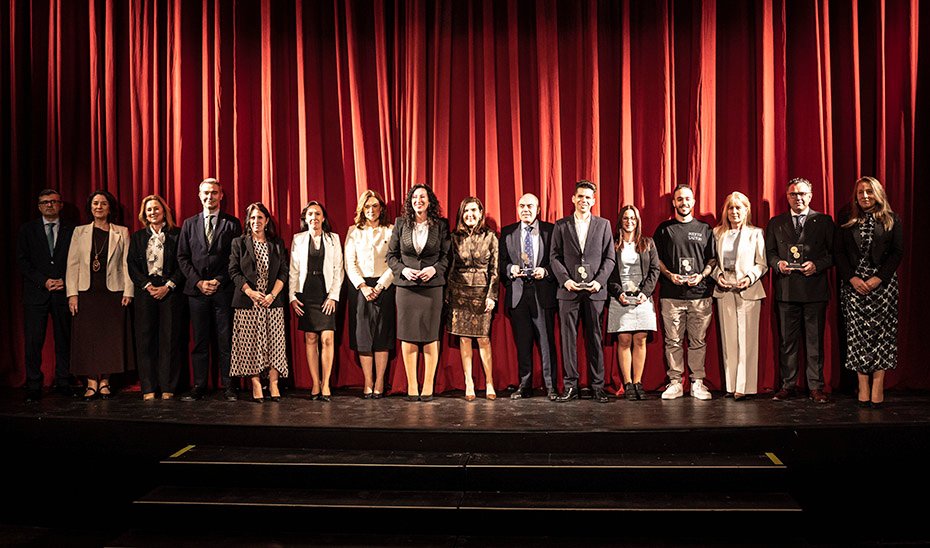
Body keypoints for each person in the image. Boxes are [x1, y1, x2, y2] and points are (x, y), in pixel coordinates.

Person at [766, 177, 835, 403]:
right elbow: (769, 253)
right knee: (787, 342)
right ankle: (788, 385)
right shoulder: (776, 223)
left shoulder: (824, 221)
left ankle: (815, 387)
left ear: (811, 196)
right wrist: (778, 264)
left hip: (814, 290)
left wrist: (817, 265)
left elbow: (834, 254)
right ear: (787, 197)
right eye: (794, 194)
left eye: (803, 194)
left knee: (814, 341)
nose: (798, 198)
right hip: (786, 291)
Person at [836, 177, 903, 408]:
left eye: (869, 192)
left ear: (878, 194)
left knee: (882, 336)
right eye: (860, 192)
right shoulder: (847, 220)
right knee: (857, 337)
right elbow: (839, 253)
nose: (864, 196)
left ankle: (878, 385)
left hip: (882, 287)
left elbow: (897, 253)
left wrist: (878, 279)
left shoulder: (891, 220)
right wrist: (852, 279)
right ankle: (862, 385)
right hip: (854, 287)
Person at [550, 180, 617, 403]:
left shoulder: (604, 225)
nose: (584, 201)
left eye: (588, 197)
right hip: (568, 291)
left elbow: (609, 257)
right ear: (573, 198)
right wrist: (566, 281)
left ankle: (598, 386)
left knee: (595, 339)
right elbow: (554, 257)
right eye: (580, 196)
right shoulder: (561, 225)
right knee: (568, 339)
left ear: (593, 201)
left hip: (595, 291)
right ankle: (571, 386)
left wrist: (599, 282)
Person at [177, 178, 242, 401]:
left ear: (221, 195)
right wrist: (198, 282)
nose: (209, 197)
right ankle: (200, 385)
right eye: (206, 193)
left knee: (226, 341)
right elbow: (182, 257)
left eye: (214, 193)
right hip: (196, 293)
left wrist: (218, 280)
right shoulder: (188, 224)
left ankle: (229, 386)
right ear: (199, 195)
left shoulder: (232, 224)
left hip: (223, 291)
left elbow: (236, 259)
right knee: (200, 341)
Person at [66, 190, 134, 400]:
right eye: (95, 203)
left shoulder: (121, 231)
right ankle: (91, 382)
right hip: (86, 293)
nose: (99, 207)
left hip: (113, 293)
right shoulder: (80, 232)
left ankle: (105, 381)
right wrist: (72, 295)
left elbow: (127, 263)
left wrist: (128, 291)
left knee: (109, 339)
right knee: (87, 339)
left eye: (103, 203)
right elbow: (72, 264)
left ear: (110, 208)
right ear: (90, 207)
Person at [386, 184, 450, 402]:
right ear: (410, 201)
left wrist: (434, 269)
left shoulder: (441, 225)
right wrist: (403, 269)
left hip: (433, 288)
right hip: (406, 288)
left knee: (431, 334)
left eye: (422, 197)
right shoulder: (400, 223)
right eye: (415, 197)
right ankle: (412, 384)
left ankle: (429, 383)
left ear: (429, 201)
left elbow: (446, 257)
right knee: (408, 335)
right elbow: (391, 256)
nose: (418, 200)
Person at [653, 184, 717, 400]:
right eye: (679, 199)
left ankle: (697, 382)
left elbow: (712, 259)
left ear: (694, 201)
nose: (684, 203)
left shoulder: (705, 229)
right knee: (673, 342)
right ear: (674, 203)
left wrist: (702, 275)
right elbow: (656, 260)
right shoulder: (664, 229)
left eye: (687, 199)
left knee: (698, 342)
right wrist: (670, 275)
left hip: (700, 296)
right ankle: (675, 382)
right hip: (671, 295)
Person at [17, 189, 75, 403]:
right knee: (34, 340)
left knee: (64, 338)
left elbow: (78, 260)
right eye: (45, 202)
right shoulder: (27, 230)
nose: (50, 205)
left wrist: (65, 281)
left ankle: (64, 381)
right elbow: (23, 261)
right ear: (39, 206)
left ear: (60, 205)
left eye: (54, 202)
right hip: (36, 293)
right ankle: (34, 384)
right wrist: (44, 280)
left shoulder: (73, 229)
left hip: (63, 292)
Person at [499, 193, 559, 401]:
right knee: (523, 344)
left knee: (546, 343)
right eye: (522, 206)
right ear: (517, 208)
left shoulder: (551, 231)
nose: (525, 209)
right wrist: (510, 269)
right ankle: (524, 385)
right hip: (518, 295)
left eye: (530, 206)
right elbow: (501, 264)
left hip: (542, 292)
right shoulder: (507, 233)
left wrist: (547, 271)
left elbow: (559, 261)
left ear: (538, 209)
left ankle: (551, 386)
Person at [710, 192, 767, 400]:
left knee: (747, 339)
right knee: (729, 339)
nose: (734, 212)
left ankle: (745, 387)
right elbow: (713, 263)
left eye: (738, 208)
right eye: (730, 208)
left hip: (748, 290)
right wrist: (718, 277)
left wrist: (750, 278)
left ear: (746, 210)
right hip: (725, 289)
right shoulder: (717, 233)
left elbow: (762, 263)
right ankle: (731, 385)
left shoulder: (756, 233)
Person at [230, 203, 289, 403]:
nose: (256, 222)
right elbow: (234, 271)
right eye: (252, 218)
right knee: (250, 344)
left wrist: (272, 295)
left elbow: (283, 272)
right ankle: (255, 383)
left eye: (260, 218)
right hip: (248, 302)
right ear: (248, 221)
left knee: (275, 343)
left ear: (266, 221)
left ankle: (273, 383)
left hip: (272, 301)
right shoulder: (239, 243)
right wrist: (250, 292)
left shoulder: (277, 244)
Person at [127, 195, 184, 400]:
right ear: (144, 214)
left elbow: (182, 263)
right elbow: (132, 265)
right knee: (145, 339)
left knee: (169, 339)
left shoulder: (177, 235)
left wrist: (168, 286)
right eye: (149, 210)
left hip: (171, 291)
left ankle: (168, 386)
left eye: (156, 209)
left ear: (164, 211)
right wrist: (147, 286)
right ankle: (149, 387)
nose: (153, 212)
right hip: (146, 291)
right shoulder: (137, 237)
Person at [289, 201, 344, 402]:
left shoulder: (333, 239)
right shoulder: (299, 239)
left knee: (327, 339)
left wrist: (333, 296)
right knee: (311, 339)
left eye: (317, 214)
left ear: (323, 218)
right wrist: (292, 297)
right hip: (306, 293)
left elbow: (339, 269)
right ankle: (315, 383)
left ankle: (326, 383)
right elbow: (293, 270)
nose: (314, 218)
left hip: (325, 292)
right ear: (306, 218)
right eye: (310, 214)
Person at [447, 197, 500, 401]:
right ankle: (468, 382)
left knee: (484, 339)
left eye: (473, 210)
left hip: (482, 294)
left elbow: (494, 270)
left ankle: (489, 382)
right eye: (466, 211)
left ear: (480, 213)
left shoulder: (490, 237)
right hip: (459, 294)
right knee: (464, 338)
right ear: (461, 214)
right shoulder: (454, 237)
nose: (470, 214)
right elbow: (451, 267)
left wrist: (491, 296)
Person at [344, 190, 395, 399]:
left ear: (381, 208)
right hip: (360, 288)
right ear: (361, 209)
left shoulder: (391, 231)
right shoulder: (353, 232)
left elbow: (394, 261)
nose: (371, 210)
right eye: (367, 207)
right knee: (363, 336)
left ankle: (380, 381)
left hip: (384, 286)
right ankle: (368, 381)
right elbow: (350, 262)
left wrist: (381, 285)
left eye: (375, 206)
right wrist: (362, 286)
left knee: (382, 336)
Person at [606, 205, 659, 401]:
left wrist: (645, 293)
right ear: (620, 220)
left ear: (638, 221)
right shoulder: (612, 244)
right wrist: (619, 293)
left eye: (633, 218)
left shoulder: (648, 243)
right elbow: (609, 272)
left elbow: (655, 270)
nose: (629, 222)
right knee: (624, 340)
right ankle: (627, 383)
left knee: (640, 339)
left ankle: (638, 382)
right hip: (620, 297)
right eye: (626, 218)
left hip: (642, 298)